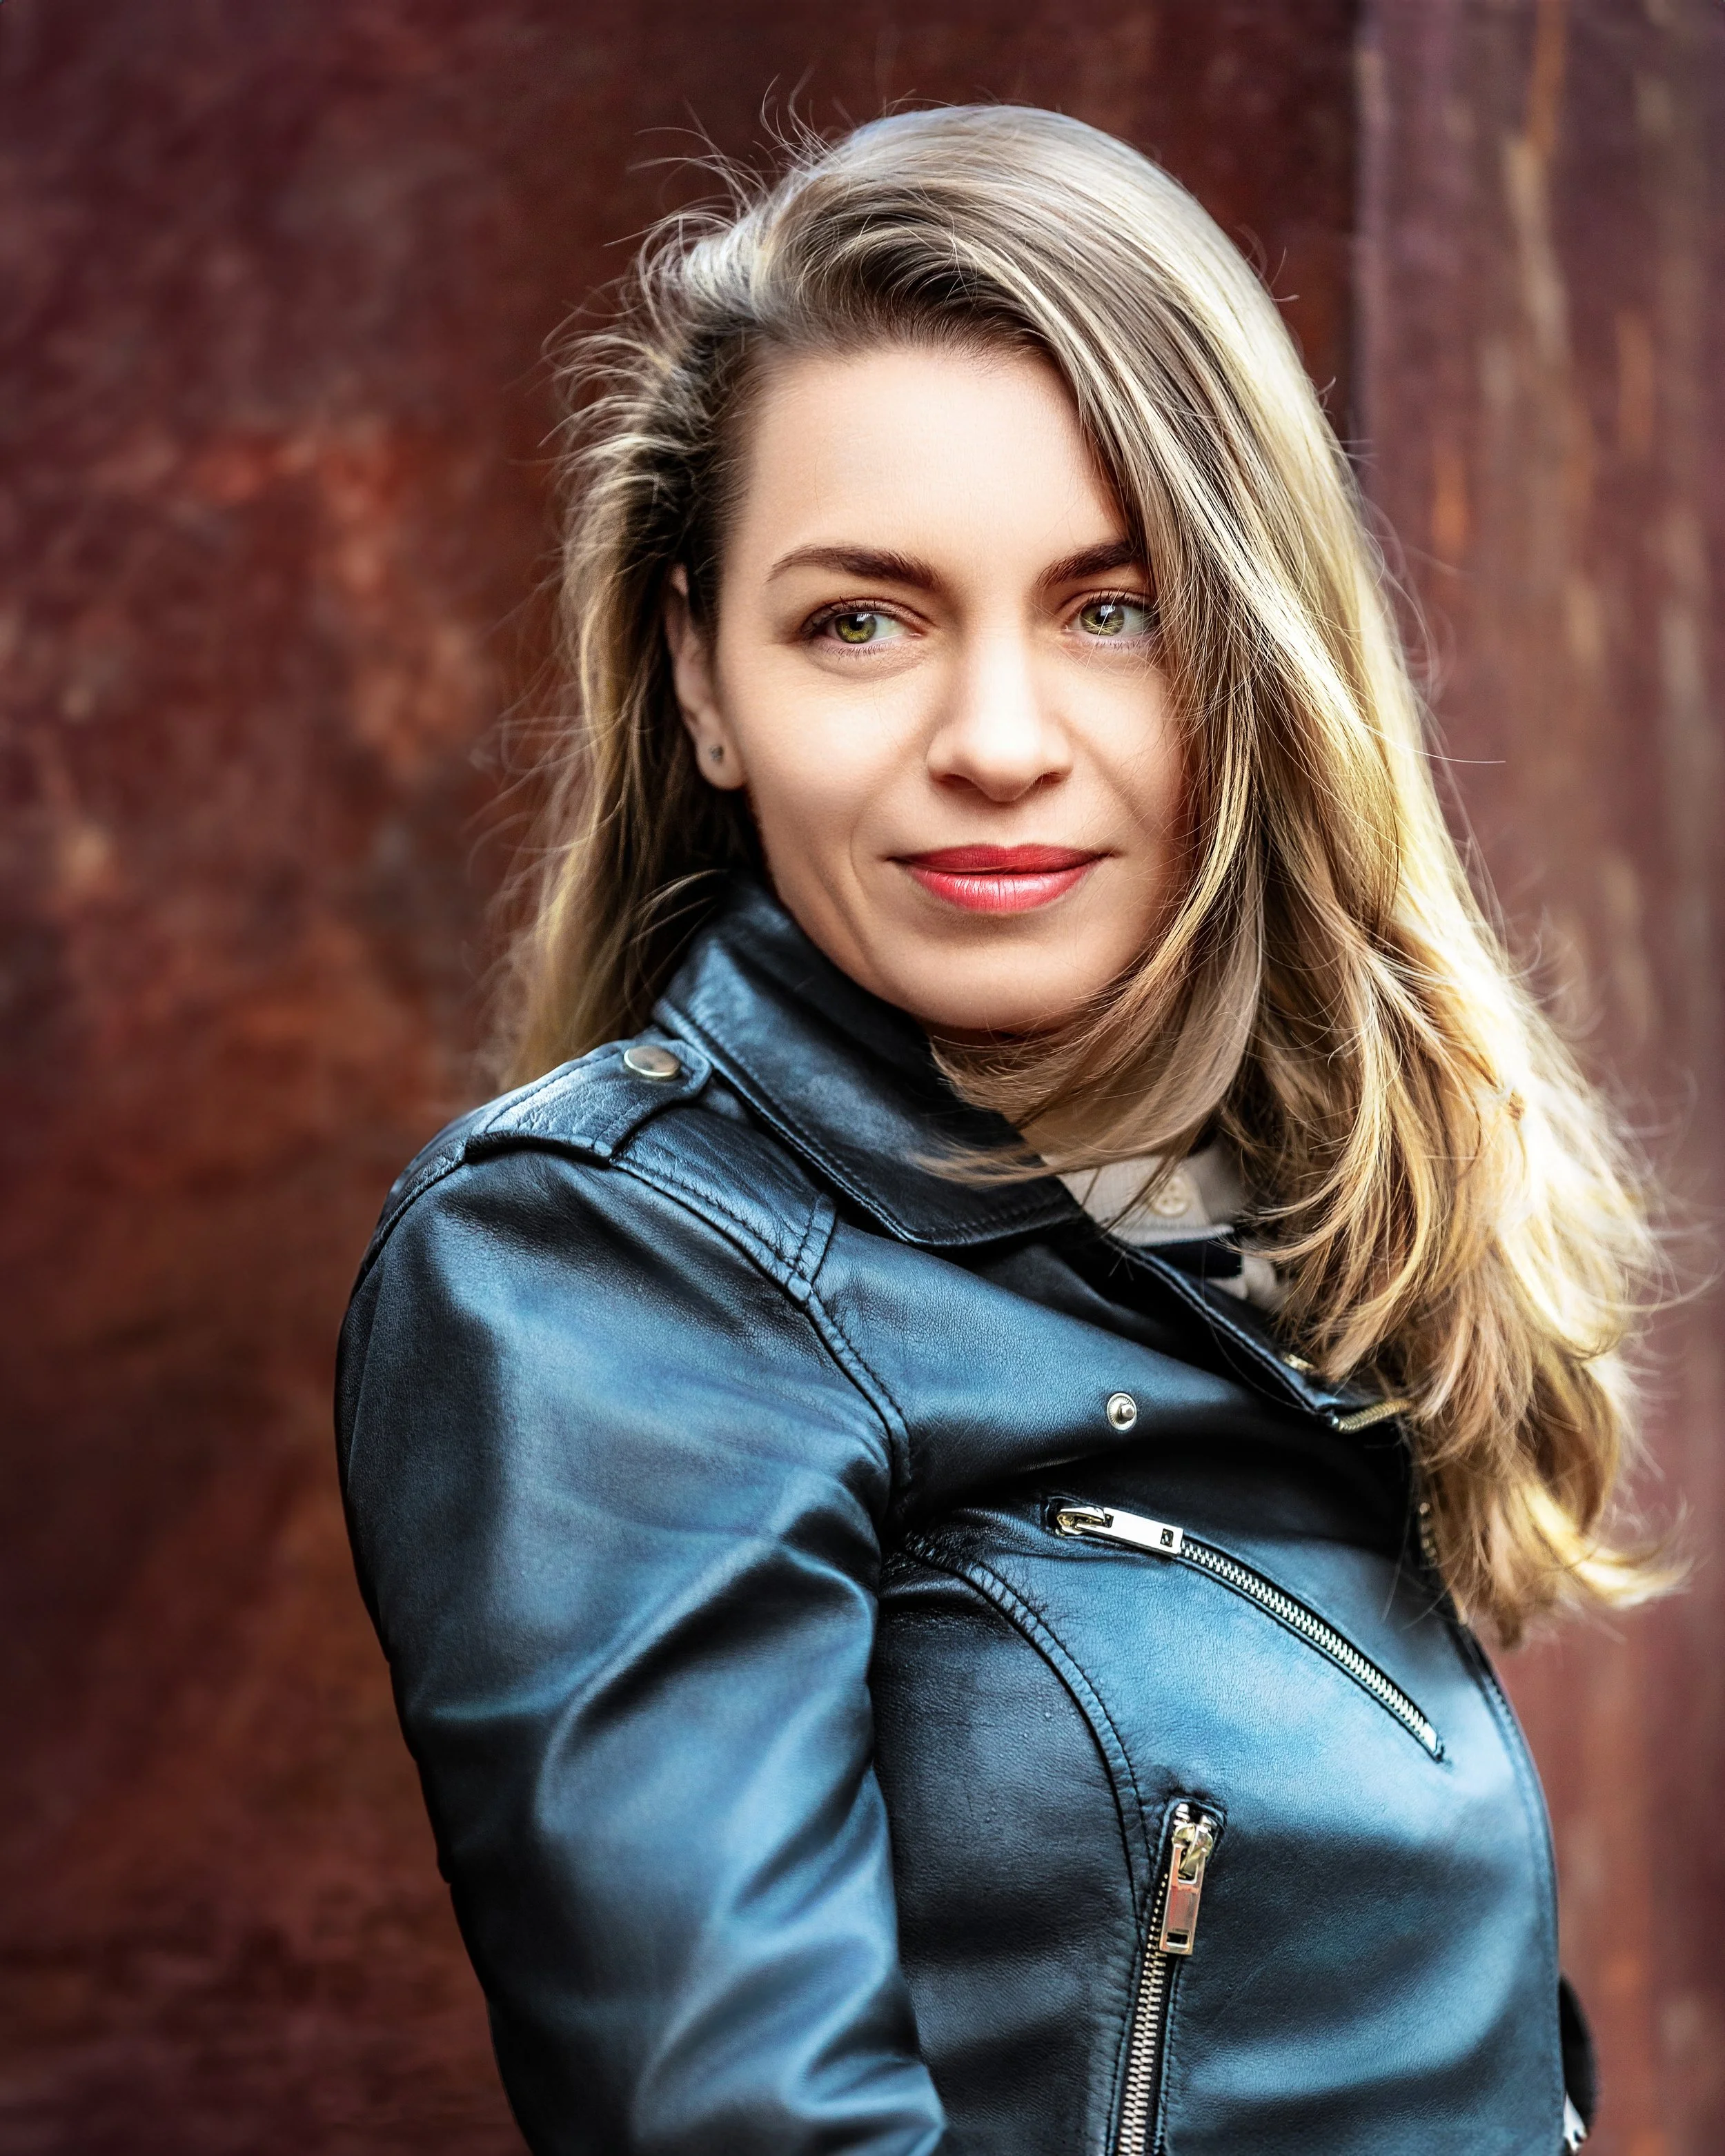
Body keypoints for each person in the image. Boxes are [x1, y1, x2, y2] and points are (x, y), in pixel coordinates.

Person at [335, 106, 1662, 2154]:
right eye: (858, 619)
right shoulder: (601, 1265)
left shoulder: (1291, 1216)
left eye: (1110, 607)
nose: (996, 738)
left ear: (1253, 657)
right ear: (701, 680)